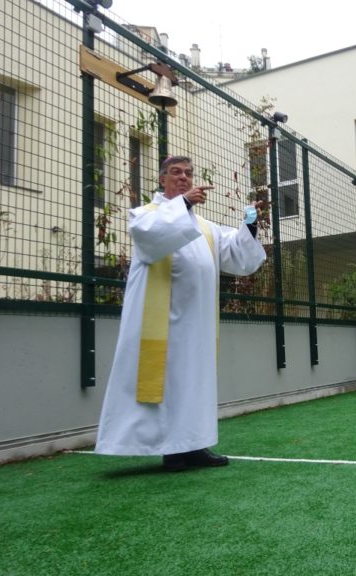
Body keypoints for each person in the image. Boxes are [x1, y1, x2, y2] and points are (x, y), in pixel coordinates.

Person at [95, 156, 267, 471]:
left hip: (196, 325)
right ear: (162, 179)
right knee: (166, 383)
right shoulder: (145, 215)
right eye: (176, 173)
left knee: (193, 383)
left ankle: (191, 445)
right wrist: (184, 204)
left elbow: (239, 258)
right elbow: (152, 237)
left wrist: (250, 225)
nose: (184, 178)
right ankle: (171, 450)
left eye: (188, 173)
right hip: (162, 324)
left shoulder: (205, 228)